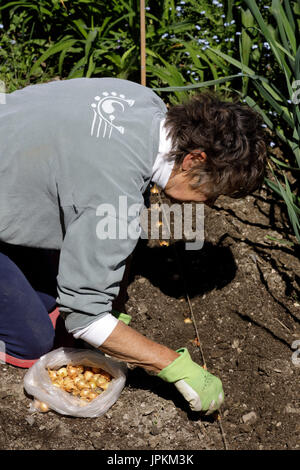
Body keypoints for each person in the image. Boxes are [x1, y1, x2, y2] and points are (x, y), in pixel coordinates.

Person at [0, 77, 267, 414]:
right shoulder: (114, 195)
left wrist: (113, 290)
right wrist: (172, 365)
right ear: (194, 160)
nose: (210, 202)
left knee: (52, 300)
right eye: (214, 190)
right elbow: (84, 318)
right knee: (32, 344)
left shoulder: (143, 102)